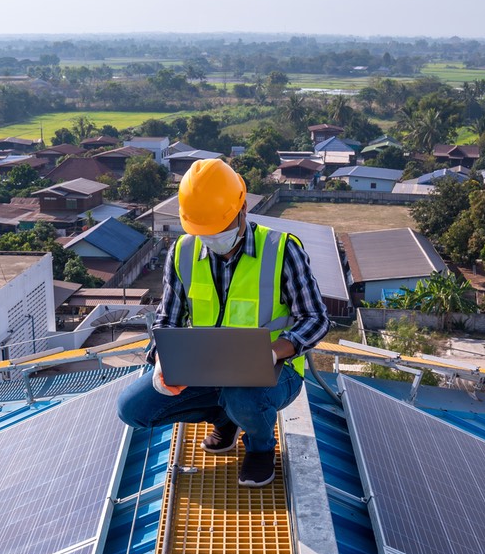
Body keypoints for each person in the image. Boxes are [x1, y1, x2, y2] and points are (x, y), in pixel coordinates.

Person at [116, 159, 330, 487]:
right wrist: (162, 361)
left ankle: (260, 448)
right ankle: (225, 418)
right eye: (204, 231)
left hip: (275, 370)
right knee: (133, 408)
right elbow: (167, 320)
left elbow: (315, 319)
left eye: (220, 227)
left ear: (243, 208)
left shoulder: (282, 251)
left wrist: (272, 353)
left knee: (243, 394)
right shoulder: (182, 253)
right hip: (206, 368)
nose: (213, 238)